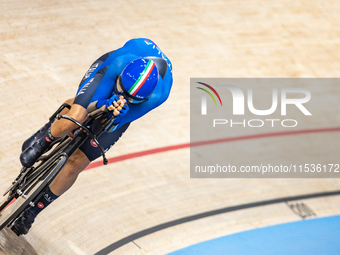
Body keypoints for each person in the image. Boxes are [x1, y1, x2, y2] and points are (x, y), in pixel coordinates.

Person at [11, 38, 173, 236]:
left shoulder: (157, 96)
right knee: (78, 114)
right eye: (122, 90)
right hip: (106, 71)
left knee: (76, 163)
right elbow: (90, 104)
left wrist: (117, 114)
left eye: (130, 98)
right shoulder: (121, 62)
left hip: (132, 101)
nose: (123, 97)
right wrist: (103, 104)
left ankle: (33, 210)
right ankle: (45, 137)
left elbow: (115, 123)